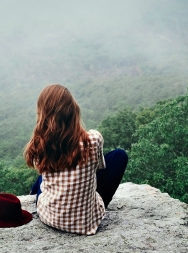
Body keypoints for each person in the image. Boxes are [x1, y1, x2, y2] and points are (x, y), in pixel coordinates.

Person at [24, 84, 128, 235]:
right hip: (86, 223)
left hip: (49, 217)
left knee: (43, 176)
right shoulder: (94, 139)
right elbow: (98, 169)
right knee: (119, 155)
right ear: (73, 110)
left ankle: (32, 193)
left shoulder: (40, 144)